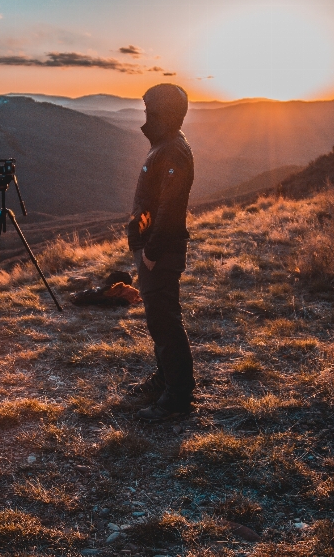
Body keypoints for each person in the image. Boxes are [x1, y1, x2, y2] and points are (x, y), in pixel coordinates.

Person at [127, 83, 195, 422]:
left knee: (166, 321)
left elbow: (170, 206)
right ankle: (165, 379)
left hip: (161, 252)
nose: (145, 117)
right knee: (158, 319)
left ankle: (177, 399)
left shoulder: (173, 151)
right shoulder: (166, 146)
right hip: (153, 249)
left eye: (150, 111)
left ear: (164, 114)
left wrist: (151, 251)